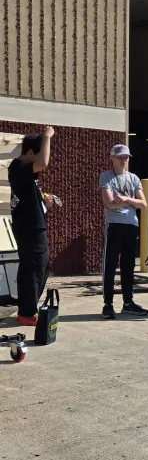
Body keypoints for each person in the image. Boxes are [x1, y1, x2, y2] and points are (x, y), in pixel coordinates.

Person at [8, 127, 55, 326]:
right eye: (36, 153)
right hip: (29, 228)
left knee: (41, 266)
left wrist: (46, 203)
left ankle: (29, 309)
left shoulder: (27, 171)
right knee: (33, 268)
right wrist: (47, 137)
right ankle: (26, 313)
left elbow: (30, 199)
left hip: (34, 225)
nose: (38, 161)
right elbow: (43, 162)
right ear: (28, 152)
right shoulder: (18, 167)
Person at [99, 144, 148, 319]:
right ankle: (108, 304)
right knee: (110, 264)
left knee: (128, 265)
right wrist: (132, 201)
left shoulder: (134, 178)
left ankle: (128, 302)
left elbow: (143, 204)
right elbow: (109, 203)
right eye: (120, 157)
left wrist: (125, 199)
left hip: (131, 225)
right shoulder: (106, 176)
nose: (124, 160)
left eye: (126, 157)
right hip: (114, 224)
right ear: (112, 158)